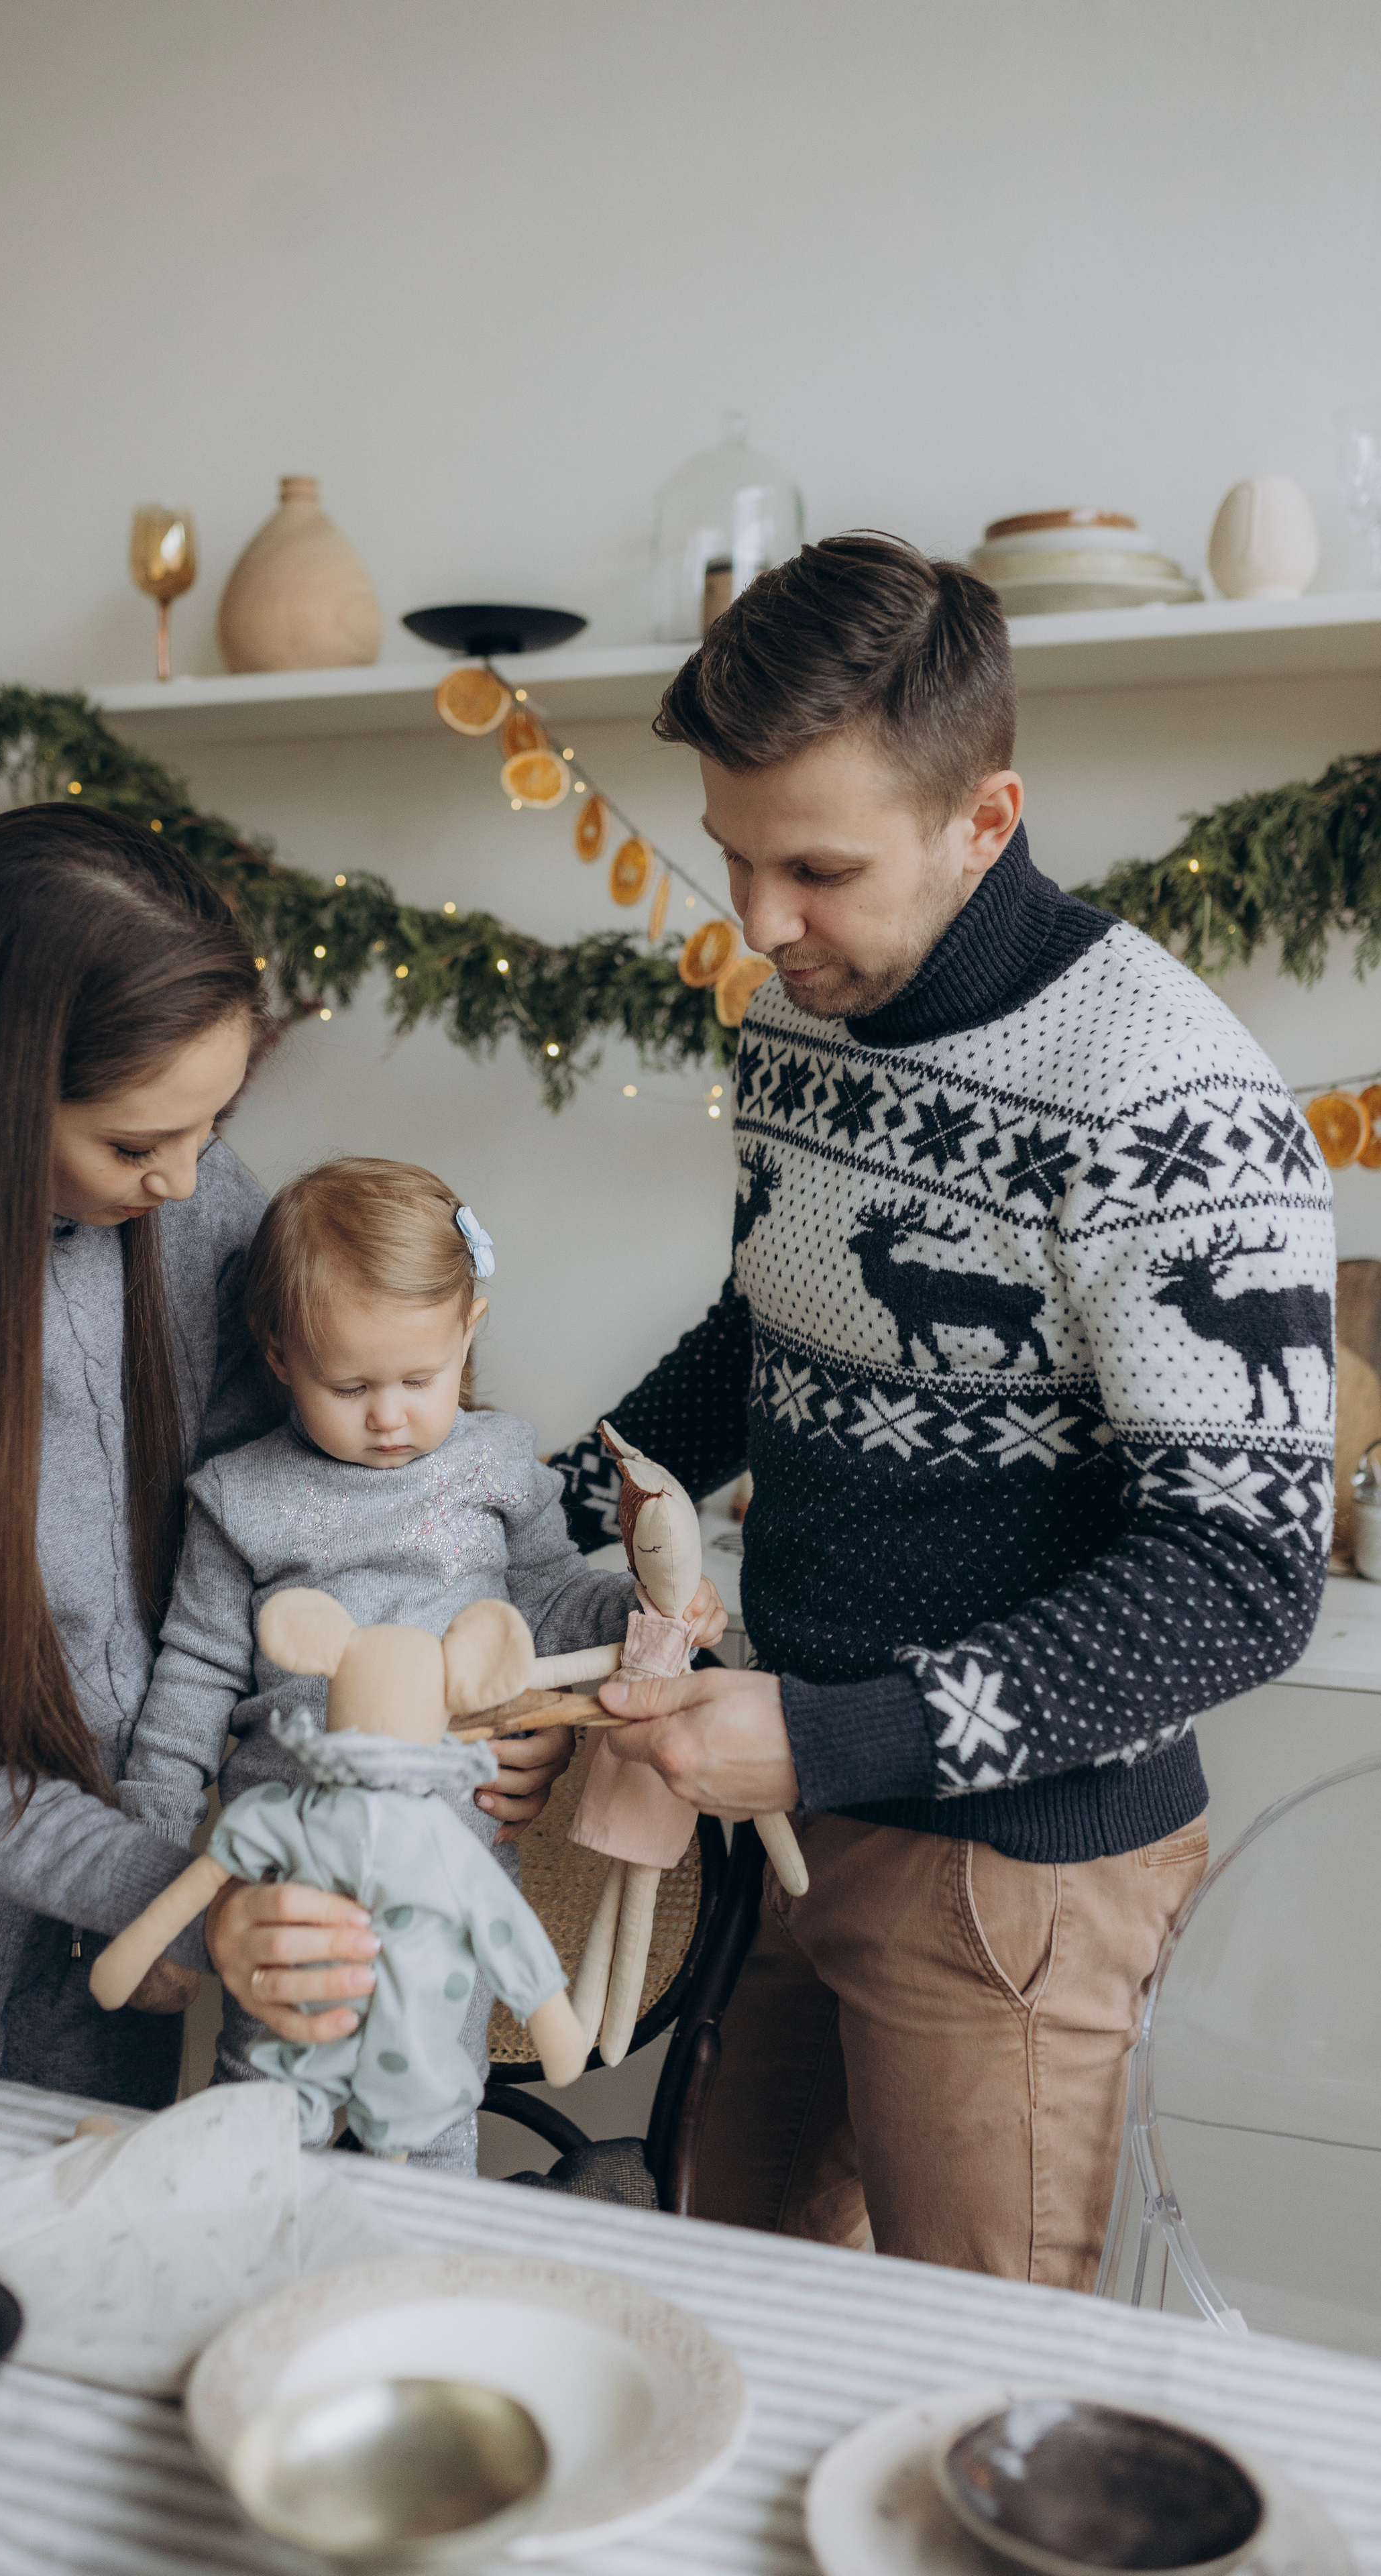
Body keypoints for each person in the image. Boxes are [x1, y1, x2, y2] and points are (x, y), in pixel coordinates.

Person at [551, 535, 1336, 2286]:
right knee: (723, 2304)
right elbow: (775, 1332)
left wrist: (830, 1739)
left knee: (983, 2398)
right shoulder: (794, 1016)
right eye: (732, 857)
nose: (756, 924)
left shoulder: (1167, 1094)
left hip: (1016, 1881)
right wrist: (532, 1517)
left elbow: (1242, 1578)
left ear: (986, 820)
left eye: (817, 867)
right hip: (785, 1814)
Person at [0, 810, 566, 2103]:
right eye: (138, 1145)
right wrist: (176, 1894)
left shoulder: (194, 1206)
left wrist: (466, 1702)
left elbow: (316, 1521)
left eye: (214, 1124)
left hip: (121, 1955)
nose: (192, 1180)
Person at [116, 1156, 724, 2165]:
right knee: (266, 2109)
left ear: (468, 1333)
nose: (389, 1416)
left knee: (436, 2106)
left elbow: (555, 1604)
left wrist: (645, 1604)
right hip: (293, 1880)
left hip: (450, 1878)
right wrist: (149, 1856)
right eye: (348, 1385)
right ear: (277, 1352)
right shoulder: (239, 1499)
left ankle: (424, 2273)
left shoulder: (493, 1468)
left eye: (419, 1379)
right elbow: (188, 1689)